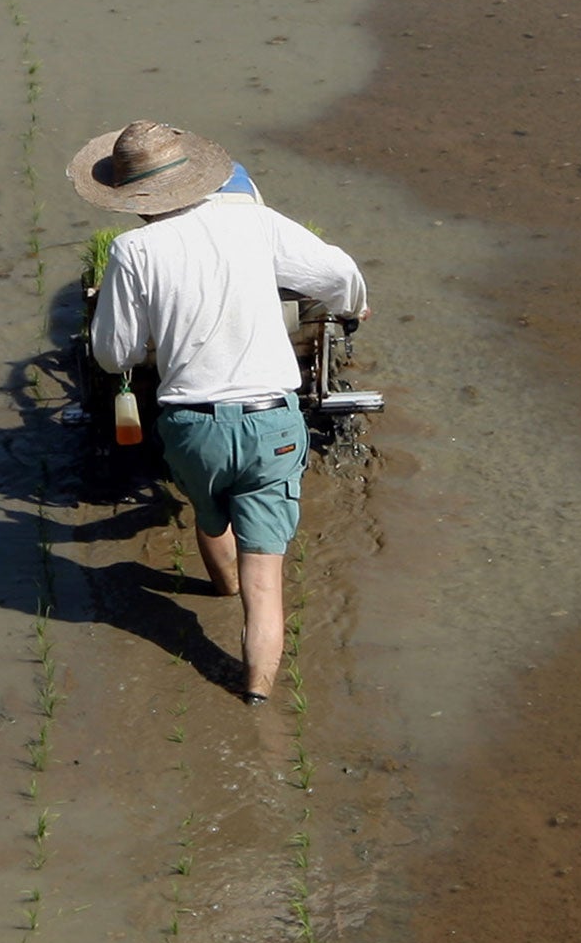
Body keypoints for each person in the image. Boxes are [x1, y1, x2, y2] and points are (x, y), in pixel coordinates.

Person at [69, 120, 370, 704]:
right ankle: (255, 696)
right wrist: (353, 305)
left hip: (191, 428)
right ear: (198, 176)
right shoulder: (251, 219)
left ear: (130, 197)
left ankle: (221, 586)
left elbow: (112, 354)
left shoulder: (133, 250)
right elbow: (337, 274)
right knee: (268, 582)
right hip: (272, 424)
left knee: (210, 515)